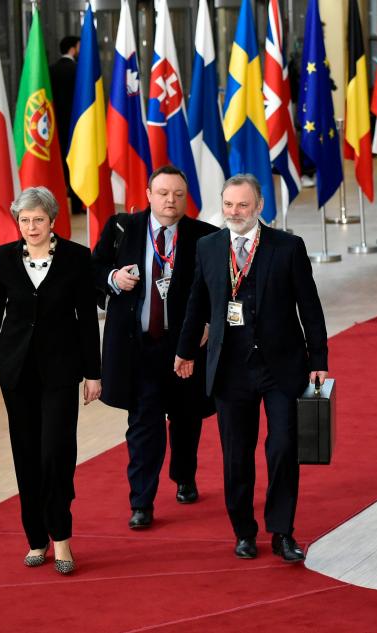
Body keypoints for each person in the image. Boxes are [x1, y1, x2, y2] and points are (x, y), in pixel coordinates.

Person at [174, 174, 328, 563]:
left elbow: (309, 306)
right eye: (228, 205)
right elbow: (196, 304)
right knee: (236, 456)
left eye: (242, 205)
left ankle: (282, 531)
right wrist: (185, 350)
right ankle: (244, 531)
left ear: (259, 206)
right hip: (230, 369)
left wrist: (318, 361)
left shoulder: (287, 247)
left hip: (281, 367)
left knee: (282, 448)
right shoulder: (208, 247)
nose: (234, 212)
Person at [0, 186, 102, 575]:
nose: (31, 227)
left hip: (61, 372)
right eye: (24, 220)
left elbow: (86, 319)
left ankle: (61, 536)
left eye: (38, 220)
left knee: (56, 454)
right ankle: (36, 538)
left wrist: (93, 373)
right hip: (16, 373)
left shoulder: (77, 258)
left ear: (52, 220)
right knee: (26, 457)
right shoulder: (5, 258)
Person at [92, 165, 217, 529]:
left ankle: (184, 476)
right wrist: (113, 279)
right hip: (139, 346)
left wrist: (207, 324)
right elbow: (94, 268)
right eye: (163, 193)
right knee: (143, 423)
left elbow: (217, 288)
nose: (170, 201)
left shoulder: (204, 236)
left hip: (185, 346)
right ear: (148, 195)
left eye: (178, 194)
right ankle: (141, 502)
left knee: (186, 417)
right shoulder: (122, 228)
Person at [49, 35, 84, 216]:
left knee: (59, 166)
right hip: (76, 126)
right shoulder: (78, 70)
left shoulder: (50, 70)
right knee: (76, 164)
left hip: (54, 126)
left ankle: (56, 206)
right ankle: (77, 206)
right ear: (73, 48)